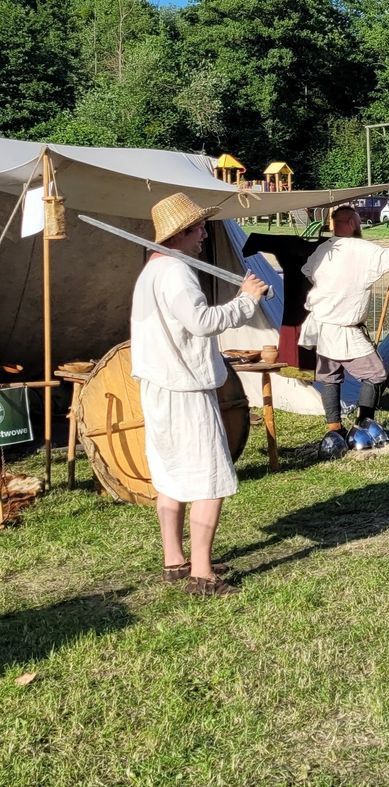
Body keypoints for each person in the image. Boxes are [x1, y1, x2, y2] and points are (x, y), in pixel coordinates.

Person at [130, 192, 269, 596]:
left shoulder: (152, 271)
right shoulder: (173, 271)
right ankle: (201, 574)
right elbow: (202, 321)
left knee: (171, 477)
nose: (205, 234)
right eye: (199, 227)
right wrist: (246, 301)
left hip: (161, 387)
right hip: (183, 390)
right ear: (181, 232)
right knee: (210, 479)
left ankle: (175, 559)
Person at [299, 205, 389, 438]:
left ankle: (335, 428)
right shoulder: (361, 249)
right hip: (341, 328)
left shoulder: (322, 249)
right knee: (375, 374)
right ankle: (363, 424)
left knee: (330, 377)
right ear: (353, 223)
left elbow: (308, 272)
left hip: (321, 324)